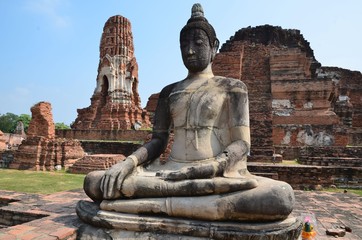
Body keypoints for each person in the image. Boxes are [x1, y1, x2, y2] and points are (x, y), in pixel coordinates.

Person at [84, 3, 295, 222]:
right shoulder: (169, 92)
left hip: (214, 175)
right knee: (95, 182)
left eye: (198, 43)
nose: (190, 50)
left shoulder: (233, 88)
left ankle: (150, 208)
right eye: (184, 44)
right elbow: (158, 141)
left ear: (214, 47)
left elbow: (242, 144)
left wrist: (209, 168)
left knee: (280, 196)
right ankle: (192, 209)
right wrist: (129, 163)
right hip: (169, 175)